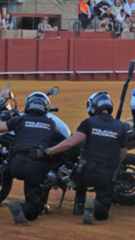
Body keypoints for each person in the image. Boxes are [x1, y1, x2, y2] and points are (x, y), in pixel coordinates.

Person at [46, 91, 127, 223]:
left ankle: (80, 206)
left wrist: (49, 151)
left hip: (88, 173)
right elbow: (122, 155)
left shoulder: (88, 123)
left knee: (79, 172)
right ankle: (95, 205)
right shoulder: (121, 127)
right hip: (106, 176)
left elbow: (70, 143)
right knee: (103, 214)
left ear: (93, 106)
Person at [0, 92, 61, 224]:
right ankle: (25, 205)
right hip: (34, 168)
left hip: (16, 165)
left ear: (28, 105)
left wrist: (3, 116)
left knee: (11, 159)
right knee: (34, 210)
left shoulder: (19, 120)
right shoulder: (51, 124)